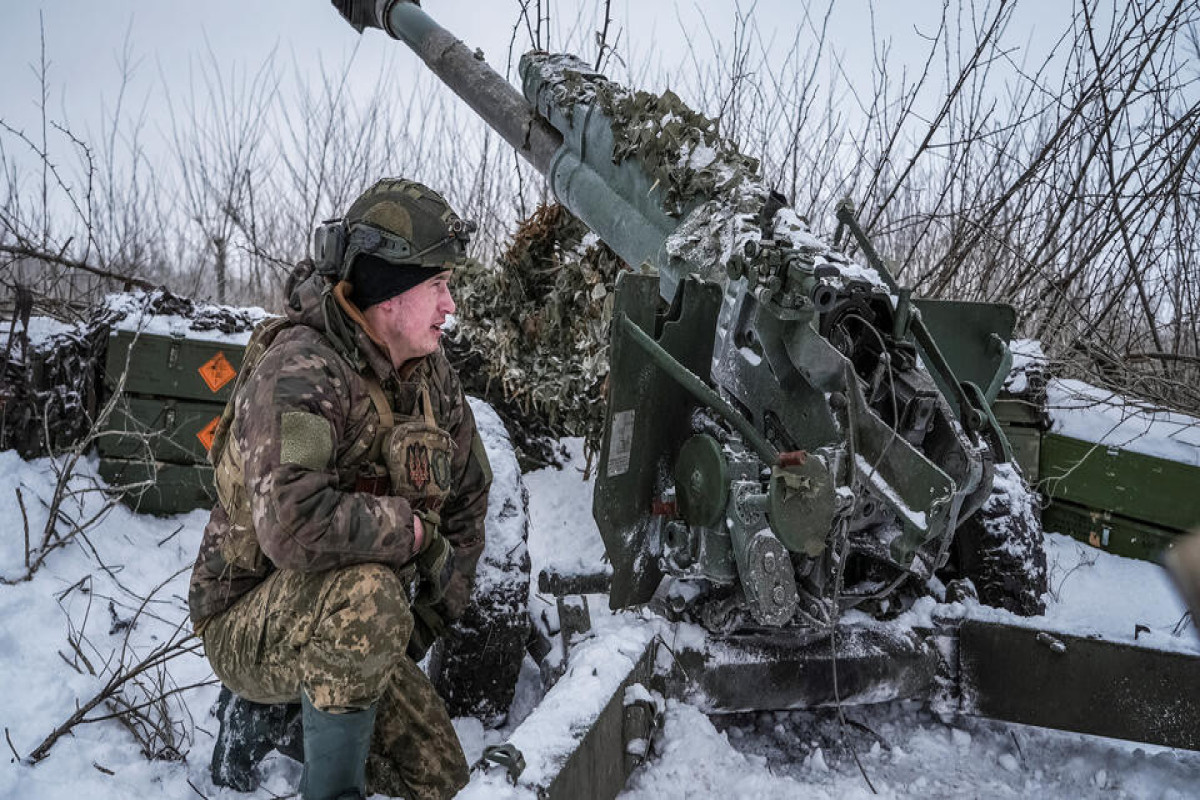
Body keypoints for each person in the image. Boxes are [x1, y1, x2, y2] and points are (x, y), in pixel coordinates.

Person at [187, 178, 492, 800]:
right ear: (387, 294)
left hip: (356, 613)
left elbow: (468, 492)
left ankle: (312, 707)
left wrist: (423, 620)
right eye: (437, 285)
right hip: (246, 619)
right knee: (371, 597)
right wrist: (405, 534)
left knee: (441, 783)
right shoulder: (302, 370)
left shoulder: (429, 374)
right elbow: (293, 523)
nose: (450, 304)